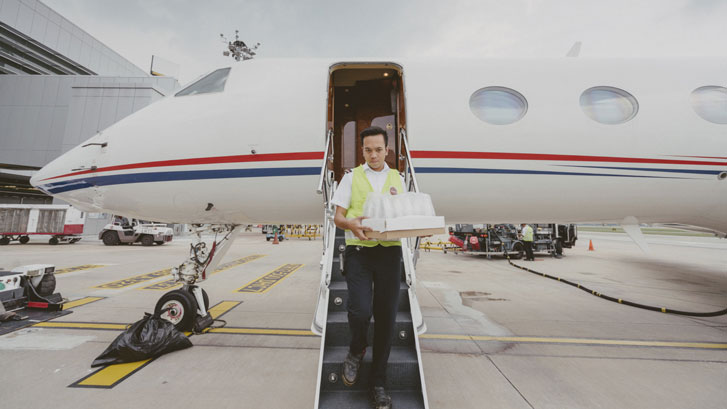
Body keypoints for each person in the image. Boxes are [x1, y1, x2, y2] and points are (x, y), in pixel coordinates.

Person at [330, 126, 404, 409]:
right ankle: (357, 348)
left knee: (386, 319)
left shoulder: (398, 178)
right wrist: (350, 224)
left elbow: (405, 214)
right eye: (368, 150)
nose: (373, 154)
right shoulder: (351, 178)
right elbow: (338, 217)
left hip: (390, 253)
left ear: (387, 150)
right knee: (360, 310)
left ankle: (379, 383)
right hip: (359, 252)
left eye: (378, 149)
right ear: (362, 151)